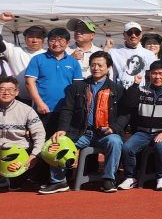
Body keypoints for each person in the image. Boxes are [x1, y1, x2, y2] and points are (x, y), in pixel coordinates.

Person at [45, 51, 130, 195]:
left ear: (109, 67)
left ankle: (108, 179)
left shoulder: (118, 89)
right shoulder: (77, 87)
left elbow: (125, 114)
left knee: (115, 142)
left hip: (105, 133)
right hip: (80, 132)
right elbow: (67, 110)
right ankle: (59, 181)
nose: (96, 68)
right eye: (93, 65)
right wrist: (62, 129)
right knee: (57, 143)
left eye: (100, 65)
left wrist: (114, 128)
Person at [118, 60, 162, 191]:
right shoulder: (141, 90)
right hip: (143, 133)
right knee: (127, 148)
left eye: (161, 73)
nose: (157, 77)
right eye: (154, 73)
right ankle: (131, 177)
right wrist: (135, 84)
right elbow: (128, 103)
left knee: (160, 145)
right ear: (149, 75)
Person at [24, 28, 82, 132]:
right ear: (47, 42)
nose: (56, 44)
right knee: (40, 140)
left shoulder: (73, 62)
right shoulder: (37, 59)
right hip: (43, 109)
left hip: (66, 111)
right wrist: (39, 103)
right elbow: (29, 83)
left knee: (60, 143)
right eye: (52, 40)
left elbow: (78, 86)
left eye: (60, 41)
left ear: (68, 43)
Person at [0, 16, 46, 91]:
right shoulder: (15, 51)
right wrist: (1, 21)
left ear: (43, 40)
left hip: (42, 99)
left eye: (39, 37)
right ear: (25, 39)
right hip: (19, 98)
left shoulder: (49, 56)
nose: (34, 40)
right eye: (31, 36)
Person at [108, 22, 157, 88]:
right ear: (124, 35)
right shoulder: (114, 52)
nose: (133, 35)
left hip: (141, 93)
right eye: (129, 33)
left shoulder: (149, 54)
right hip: (120, 92)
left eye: (137, 33)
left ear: (141, 35)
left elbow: (151, 75)